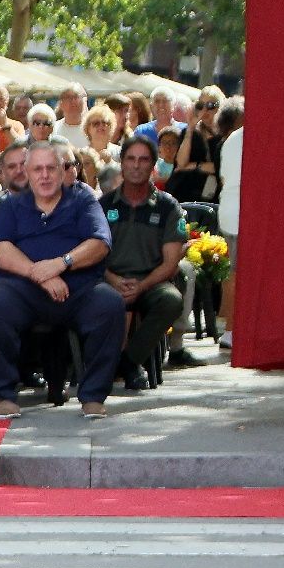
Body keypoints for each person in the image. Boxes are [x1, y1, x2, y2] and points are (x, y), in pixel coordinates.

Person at [0, 140, 121, 419]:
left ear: (62, 170)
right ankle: (1, 394)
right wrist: (38, 273)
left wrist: (60, 264)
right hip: (23, 288)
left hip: (78, 287)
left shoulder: (83, 201)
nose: (44, 175)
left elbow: (100, 243)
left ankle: (93, 396)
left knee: (110, 304)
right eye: (37, 169)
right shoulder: (11, 205)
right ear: (27, 173)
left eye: (51, 168)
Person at [99, 135, 188, 390]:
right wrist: (113, 280)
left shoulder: (168, 207)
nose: (136, 166)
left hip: (152, 281)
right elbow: (93, 252)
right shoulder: (103, 206)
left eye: (143, 160)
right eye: (131, 159)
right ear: (122, 163)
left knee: (171, 300)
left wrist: (142, 285)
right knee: (90, 298)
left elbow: (170, 262)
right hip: (110, 280)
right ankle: (96, 363)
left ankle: (128, 362)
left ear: (153, 165)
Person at [216, 99, 243, 351]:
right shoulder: (239, 139)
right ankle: (232, 329)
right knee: (236, 274)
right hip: (240, 213)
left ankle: (231, 329)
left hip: (229, 210)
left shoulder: (232, 139)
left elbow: (224, 178)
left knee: (233, 273)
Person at [169, 85, 225, 203]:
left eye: (210, 106)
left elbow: (219, 167)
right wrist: (190, 128)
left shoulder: (225, 135)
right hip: (186, 193)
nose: (204, 111)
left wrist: (194, 166)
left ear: (220, 107)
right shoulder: (190, 132)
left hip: (214, 196)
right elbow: (181, 163)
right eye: (201, 105)